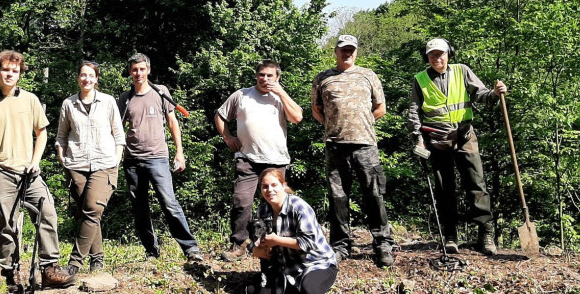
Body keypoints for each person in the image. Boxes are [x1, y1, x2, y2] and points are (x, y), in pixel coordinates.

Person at [0, 50, 76, 292]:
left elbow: (42, 133)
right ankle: (11, 273)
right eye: (5, 70)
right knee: (7, 225)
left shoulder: (30, 100)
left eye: (14, 71)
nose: (10, 74)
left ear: (20, 74)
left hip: (29, 173)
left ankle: (49, 269)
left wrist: (36, 160)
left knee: (47, 212)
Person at [408, 38, 507, 255]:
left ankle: (486, 234)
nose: (437, 58)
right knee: (445, 189)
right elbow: (414, 111)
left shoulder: (462, 71)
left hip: (464, 135)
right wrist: (418, 138)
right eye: (432, 55)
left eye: (441, 54)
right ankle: (450, 235)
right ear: (427, 57)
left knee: (476, 183)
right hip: (437, 140)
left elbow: (480, 95)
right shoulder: (420, 79)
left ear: (449, 54)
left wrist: (494, 93)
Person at [252, 168, 351, 294]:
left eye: (273, 185)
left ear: (283, 185)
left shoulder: (299, 206)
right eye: (265, 186)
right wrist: (261, 249)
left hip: (318, 264)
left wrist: (275, 240)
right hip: (289, 270)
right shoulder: (263, 211)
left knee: (309, 288)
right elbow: (258, 248)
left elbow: (308, 243)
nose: (269, 190)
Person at [311, 34, 393, 267]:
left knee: (374, 195)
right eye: (343, 49)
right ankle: (340, 246)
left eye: (351, 50)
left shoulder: (368, 75)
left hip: (366, 145)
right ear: (335, 51)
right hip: (335, 145)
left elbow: (380, 108)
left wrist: (361, 125)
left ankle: (383, 244)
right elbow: (317, 109)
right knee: (338, 198)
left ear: (356, 52)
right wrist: (332, 127)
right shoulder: (323, 78)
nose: (347, 53)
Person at [117, 53, 205, 263]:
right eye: (134, 70)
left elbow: (173, 122)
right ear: (130, 72)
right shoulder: (124, 98)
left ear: (148, 70)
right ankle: (151, 252)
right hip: (132, 160)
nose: (138, 73)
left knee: (169, 203)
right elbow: (117, 129)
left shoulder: (161, 92)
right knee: (140, 209)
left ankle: (191, 249)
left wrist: (180, 152)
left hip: (158, 158)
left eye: (142, 69)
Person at [215, 60, 303, 261]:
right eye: (261, 75)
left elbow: (297, 117)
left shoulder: (280, 97)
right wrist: (228, 137)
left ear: (277, 77)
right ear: (256, 76)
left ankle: (276, 243)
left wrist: (281, 92)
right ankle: (239, 245)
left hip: (276, 160)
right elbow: (220, 116)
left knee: (276, 204)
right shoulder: (241, 95)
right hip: (247, 158)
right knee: (241, 201)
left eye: (270, 75)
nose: (265, 79)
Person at [55, 62, 125, 274]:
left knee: (92, 209)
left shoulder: (108, 102)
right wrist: (63, 160)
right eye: (83, 75)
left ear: (96, 79)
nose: (86, 79)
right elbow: (61, 136)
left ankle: (75, 264)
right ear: (78, 78)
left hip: (104, 164)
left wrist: (116, 160)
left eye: (91, 75)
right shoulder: (69, 104)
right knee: (88, 214)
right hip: (76, 165)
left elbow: (119, 135)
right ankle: (97, 258)